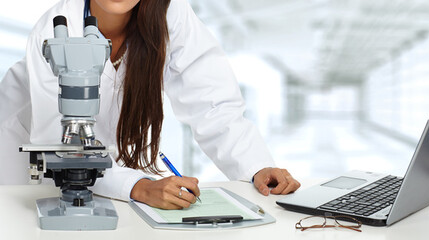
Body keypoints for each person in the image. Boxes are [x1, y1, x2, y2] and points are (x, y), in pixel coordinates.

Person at [0, 0, 300, 209]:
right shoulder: (54, 29)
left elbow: (212, 104)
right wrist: (138, 186)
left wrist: (257, 167)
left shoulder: (170, 13)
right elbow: (57, 139)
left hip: (100, 169)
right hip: (20, 159)